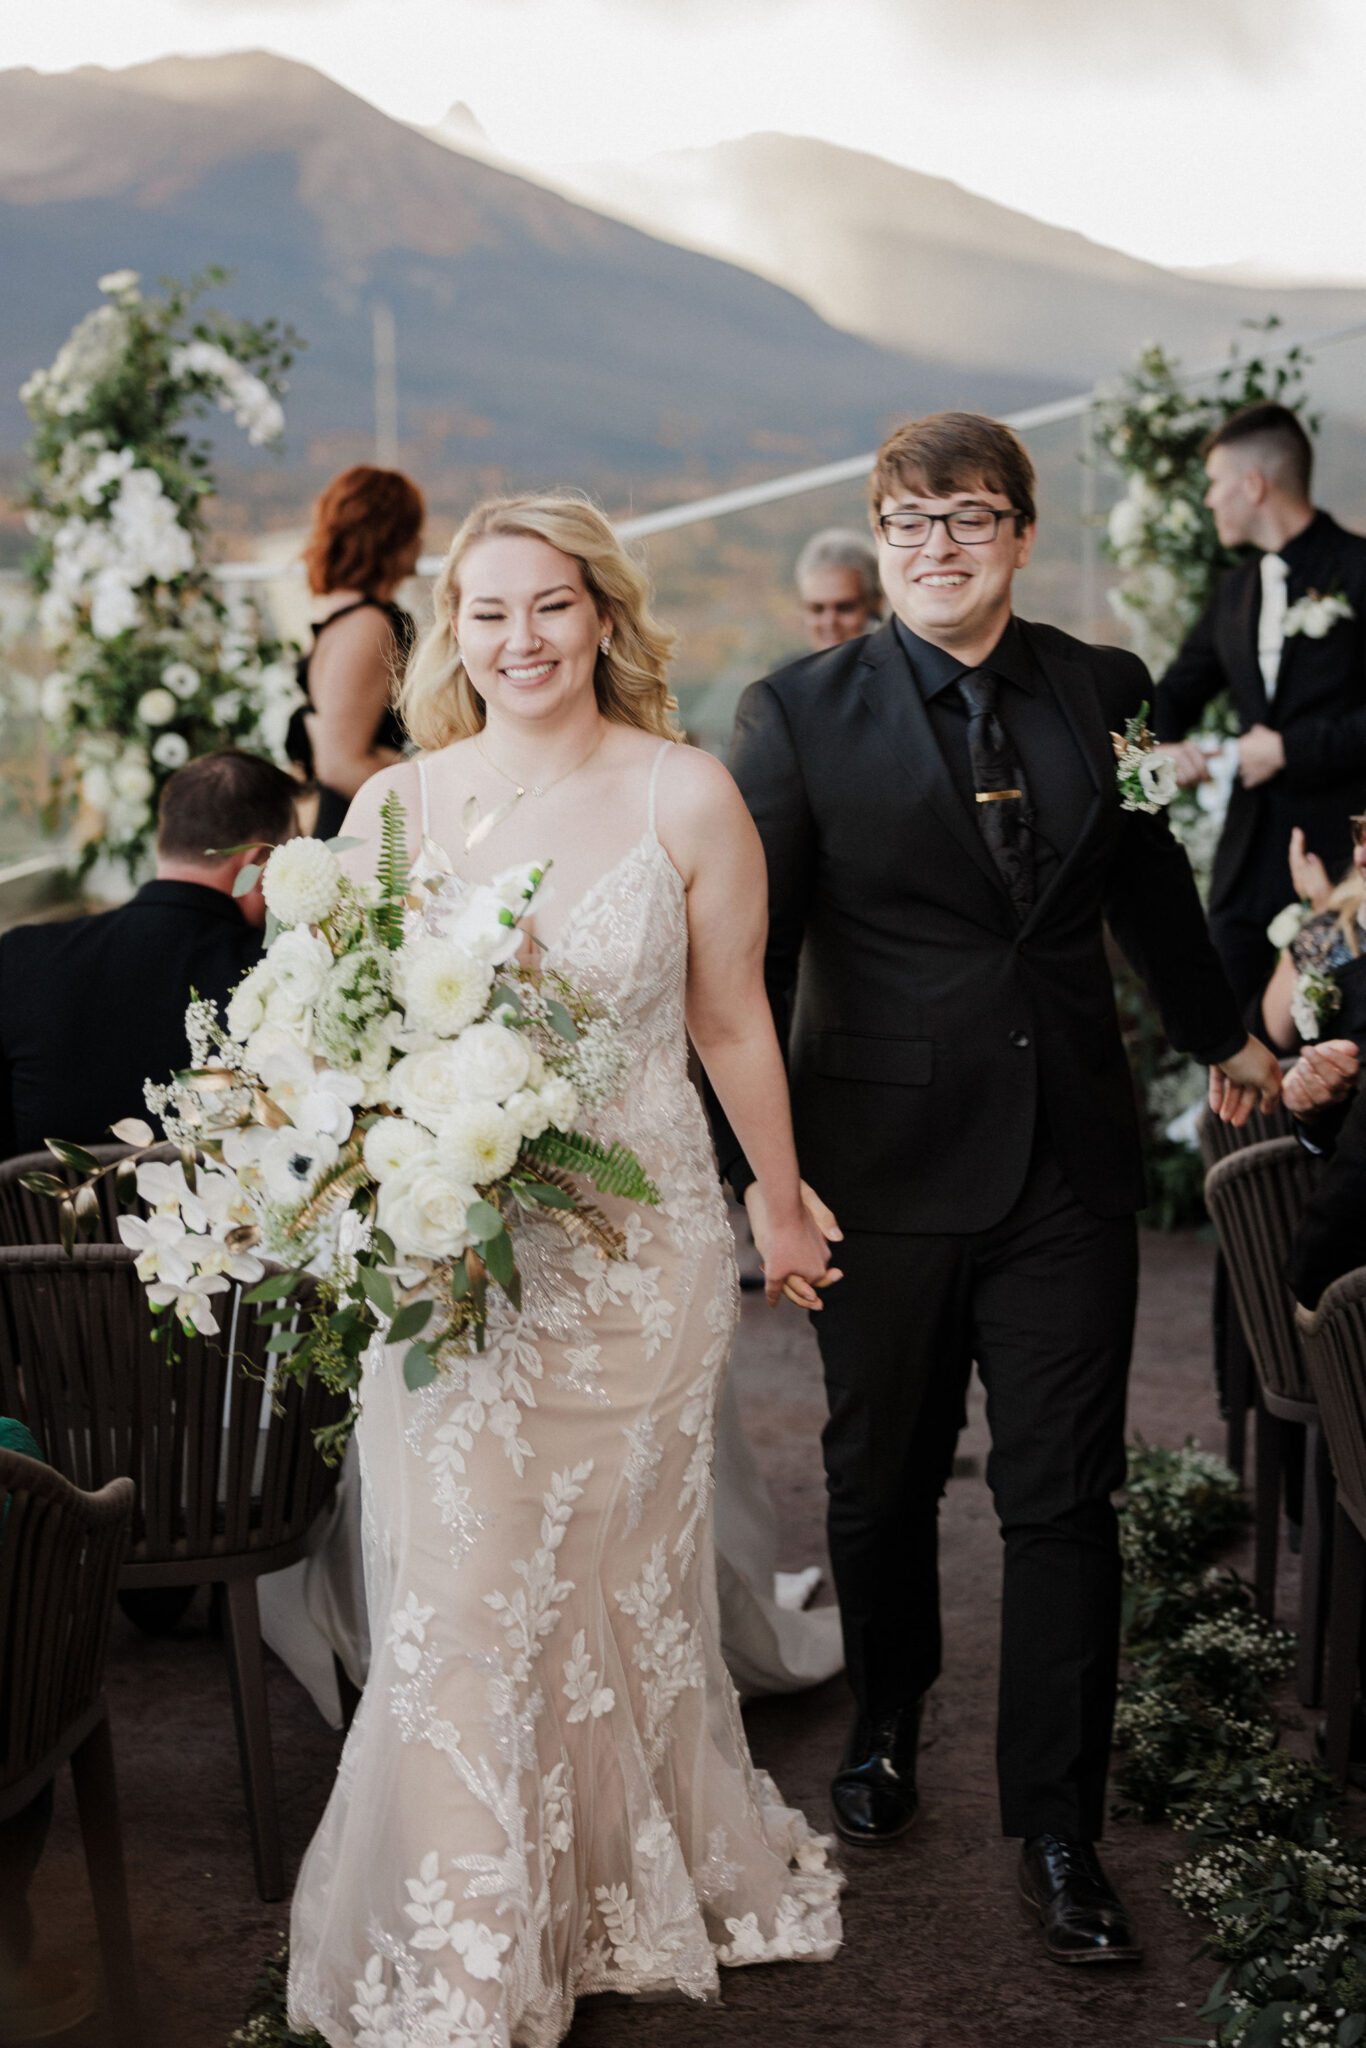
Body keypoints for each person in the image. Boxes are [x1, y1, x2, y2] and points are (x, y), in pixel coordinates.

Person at [713, 410, 1279, 1965]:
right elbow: (744, 970)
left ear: (1020, 536)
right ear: (878, 541)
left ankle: (1057, 1830)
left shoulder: (1100, 692)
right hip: (876, 1180)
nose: (937, 544)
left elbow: (1148, 884)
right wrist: (753, 1185)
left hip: (1066, 1170)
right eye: (908, 520)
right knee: (879, 1485)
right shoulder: (797, 714)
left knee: (1061, 1502)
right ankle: (888, 1716)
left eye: (969, 516)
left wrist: (1227, 1036)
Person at [287, 494, 844, 2047]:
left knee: (612, 1585)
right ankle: (471, 1938)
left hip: (637, 1258)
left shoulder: (684, 794)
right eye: (487, 612)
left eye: (550, 606)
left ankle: (611, 1884)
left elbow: (732, 1023)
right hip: (452, 1268)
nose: (519, 639)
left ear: (601, 615)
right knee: (458, 1587)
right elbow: (347, 1044)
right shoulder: (394, 810)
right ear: (447, 632)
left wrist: (780, 1206)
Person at [1152, 403, 1366, 1009]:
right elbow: (1175, 692)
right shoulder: (1237, 590)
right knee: (1231, 1023)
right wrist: (1160, 749)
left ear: (1254, 484)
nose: (1210, 501)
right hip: (1247, 864)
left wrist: (1290, 750)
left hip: (1344, 864)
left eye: (1216, 484)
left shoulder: (1359, 568)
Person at [0, 751, 296, 1160]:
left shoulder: (20, 959)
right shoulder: (274, 980)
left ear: (164, 840)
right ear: (258, 863)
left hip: (40, 1222)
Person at [291, 465, 425, 840]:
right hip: (362, 831)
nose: (421, 540)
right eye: (415, 527)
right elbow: (339, 764)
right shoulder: (367, 625)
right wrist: (428, 798)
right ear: (393, 536)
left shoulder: (344, 612)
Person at [1261, 819, 1366, 1056]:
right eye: (1362, 835)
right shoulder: (1328, 930)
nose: (1362, 857)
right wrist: (1323, 926)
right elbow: (1271, 1036)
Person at [794, 527, 883, 651]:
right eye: (817, 609)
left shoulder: (903, 667)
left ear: (876, 603)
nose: (829, 623)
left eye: (844, 608)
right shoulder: (788, 669)